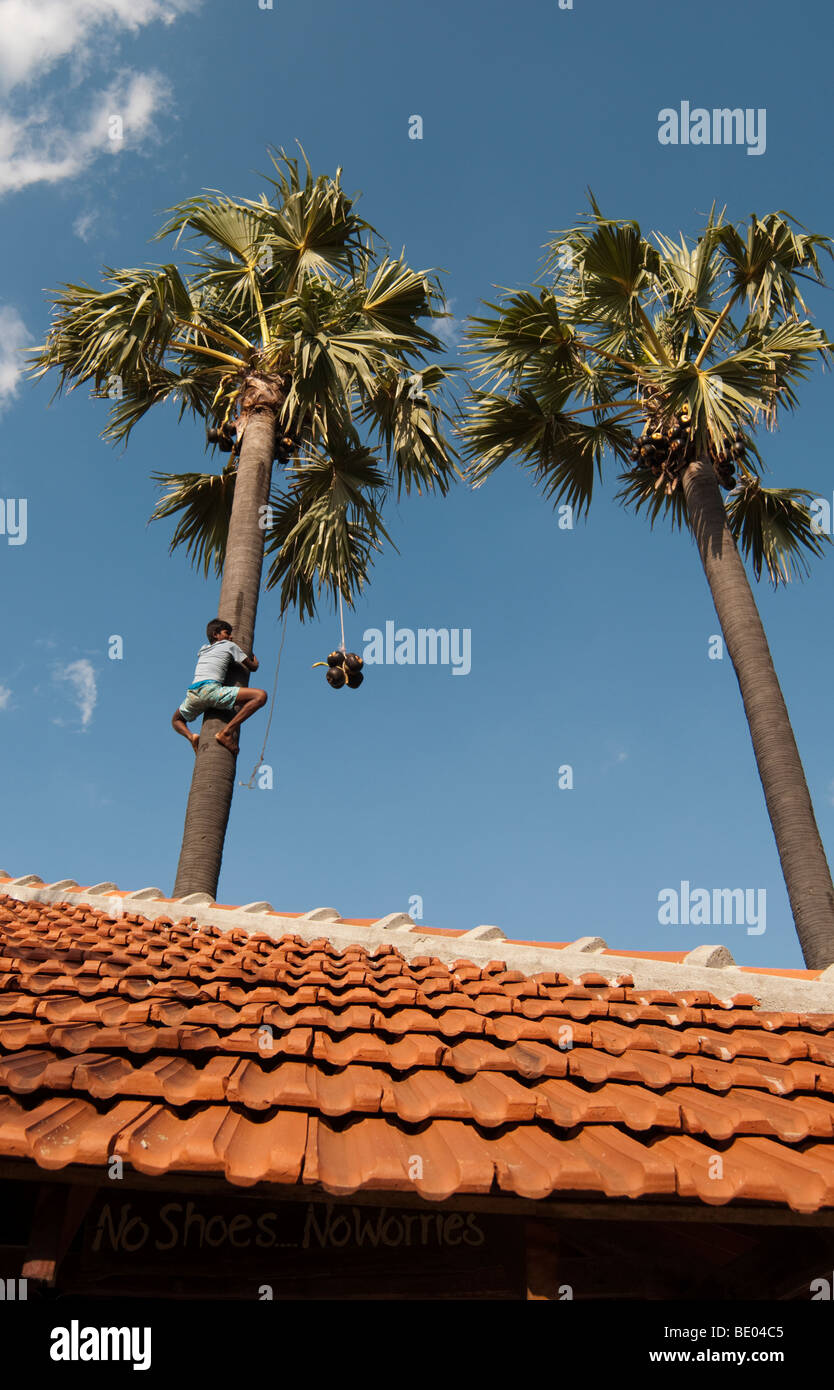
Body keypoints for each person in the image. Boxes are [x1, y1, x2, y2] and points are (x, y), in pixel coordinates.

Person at [172, 618, 266, 754]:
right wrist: (255, 663)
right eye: (227, 633)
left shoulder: (203, 650)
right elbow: (252, 667)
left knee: (176, 720)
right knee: (260, 696)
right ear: (216, 634)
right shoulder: (230, 646)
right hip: (211, 691)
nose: (230, 637)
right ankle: (226, 732)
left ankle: (191, 736)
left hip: (193, 693)